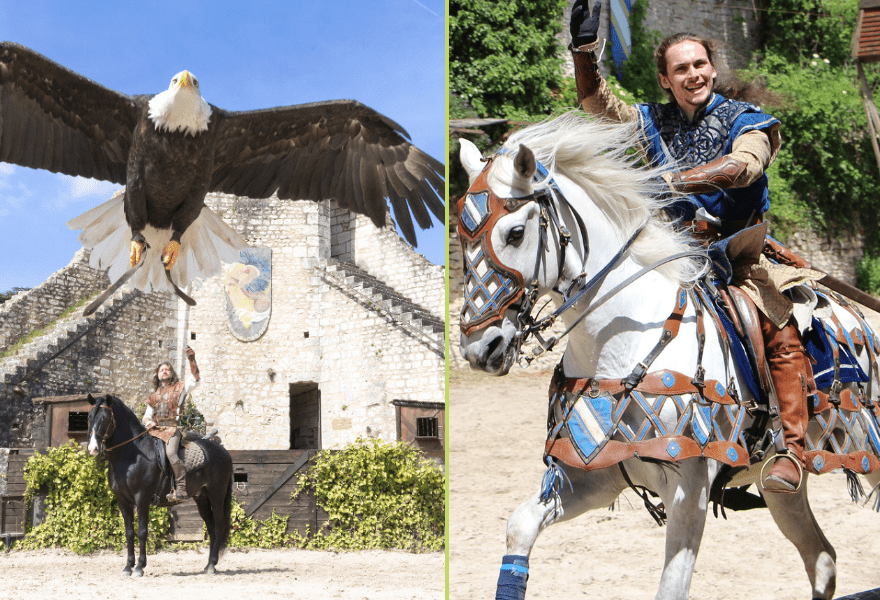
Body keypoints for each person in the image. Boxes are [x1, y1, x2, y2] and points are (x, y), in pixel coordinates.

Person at [568, 0, 822, 493]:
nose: (693, 74)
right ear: (665, 79)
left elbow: (744, 166)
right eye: (680, 68)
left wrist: (672, 180)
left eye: (700, 65)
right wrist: (583, 53)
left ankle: (791, 449)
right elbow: (597, 104)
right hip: (673, 255)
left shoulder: (749, 120)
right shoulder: (649, 121)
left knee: (776, 323)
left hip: (738, 254)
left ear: (712, 68)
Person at [143, 346, 201, 502]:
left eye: (167, 369)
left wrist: (192, 360)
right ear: (157, 374)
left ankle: (181, 488)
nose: (164, 371)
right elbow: (146, 416)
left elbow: (196, 380)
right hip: (155, 430)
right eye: (161, 369)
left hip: (171, 430)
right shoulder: (153, 396)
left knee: (170, 453)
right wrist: (148, 422)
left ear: (171, 373)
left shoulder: (180, 387)